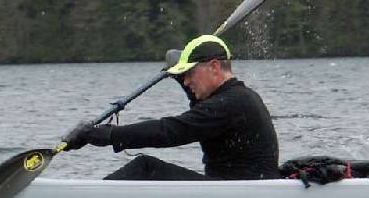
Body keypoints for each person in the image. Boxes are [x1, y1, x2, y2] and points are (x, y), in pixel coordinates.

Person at [63, 35, 279, 180]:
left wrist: (105, 135)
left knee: (146, 168)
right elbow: (200, 113)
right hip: (234, 187)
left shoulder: (232, 103)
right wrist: (180, 77)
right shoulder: (237, 98)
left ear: (214, 67)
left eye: (190, 73)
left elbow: (171, 131)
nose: (187, 81)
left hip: (238, 192)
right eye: (183, 76)